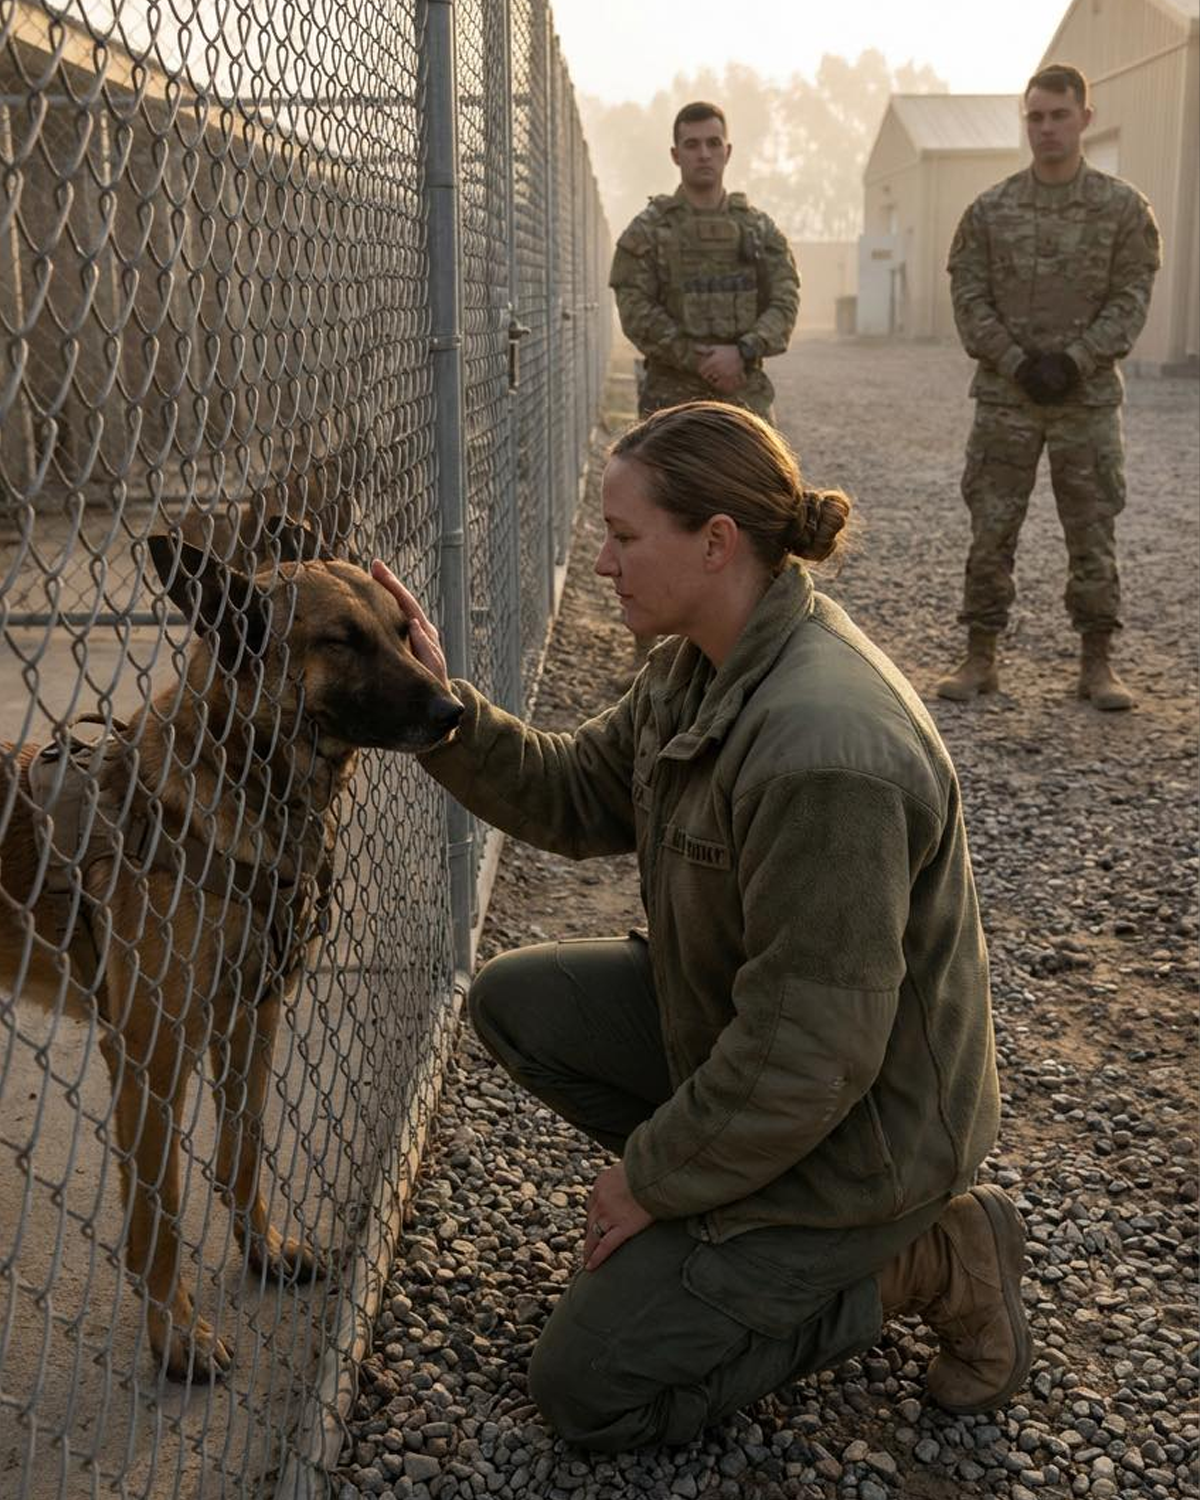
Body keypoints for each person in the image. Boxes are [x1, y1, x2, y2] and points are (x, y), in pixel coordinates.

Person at [370, 401, 1031, 1452]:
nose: (600, 563)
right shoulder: (700, 662)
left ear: (716, 541)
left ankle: (927, 1257)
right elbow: (578, 792)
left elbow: (813, 1056)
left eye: (625, 537)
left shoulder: (822, 750)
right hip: (765, 1055)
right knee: (521, 1004)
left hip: (862, 1137)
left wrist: (651, 1178)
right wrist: (438, 708)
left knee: (591, 1392)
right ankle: (721, 1237)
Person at [938, 63, 1161, 711]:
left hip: (1084, 400)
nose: (1046, 128)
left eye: (1059, 114)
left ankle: (1097, 666)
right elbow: (969, 298)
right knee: (991, 528)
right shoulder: (989, 211)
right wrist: (1016, 361)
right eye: (1035, 116)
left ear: (1085, 118)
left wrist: (1075, 360)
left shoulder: (1123, 211)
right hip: (1007, 402)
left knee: (1092, 530)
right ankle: (980, 658)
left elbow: (1132, 299)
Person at [610, 103, 800, 423]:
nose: (704, 154)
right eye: (692, 144)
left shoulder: (758, 229)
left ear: (727, 151)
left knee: (759, 474)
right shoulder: (649, 231)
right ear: (675, 155)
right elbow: (633, 308)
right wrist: (701, 361)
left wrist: (742, 352)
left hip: (742, 393)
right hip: (671, 400)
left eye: (713, 143)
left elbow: (786, 301)